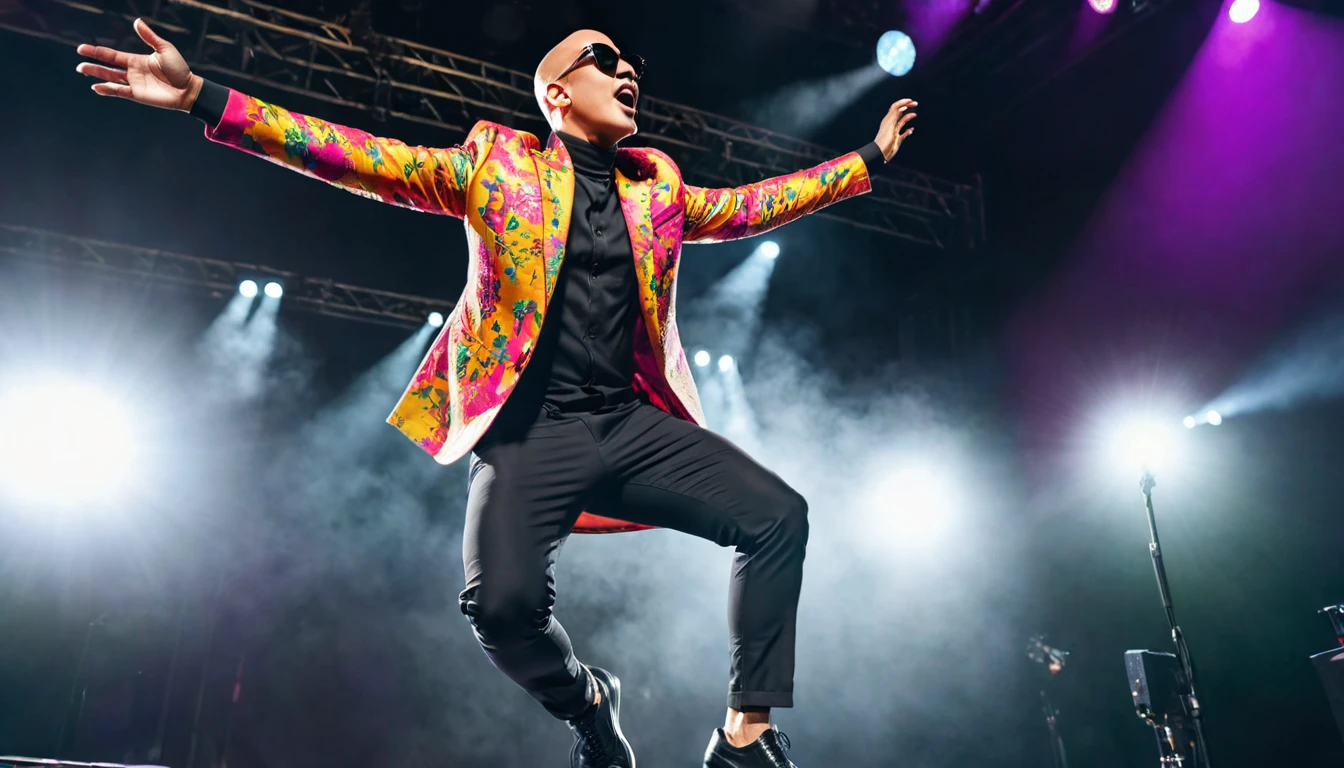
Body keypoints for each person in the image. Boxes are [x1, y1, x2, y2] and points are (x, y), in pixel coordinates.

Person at [76, 19, 916, 767]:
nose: (630, 72)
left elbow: (747, 207)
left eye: (634, 64)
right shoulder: (496, 164)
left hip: (625, 424)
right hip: (525, 432)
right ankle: (590, 704)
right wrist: (205, 100)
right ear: (557, 92)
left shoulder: (654, 183)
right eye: (607, 59)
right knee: (499, 608)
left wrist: (865, 161)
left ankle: (743, 733)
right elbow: (361, 157)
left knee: (778, 516)